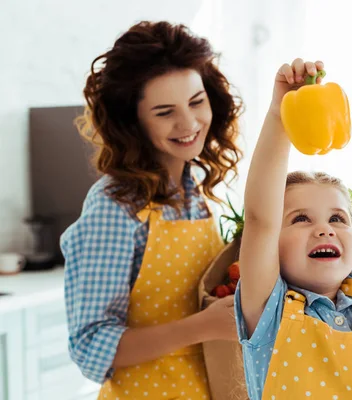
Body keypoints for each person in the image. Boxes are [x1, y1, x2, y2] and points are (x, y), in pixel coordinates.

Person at [61, 20, 243, 399]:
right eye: (165, 112)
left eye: (196, 102)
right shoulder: (116, 206)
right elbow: (90, 345)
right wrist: (203, 326)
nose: (189, 123)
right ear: (133, 121)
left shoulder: (199, 192)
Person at [234, 55, 352, 399]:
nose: (324, 229)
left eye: (338, 218)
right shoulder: (271, 309)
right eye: (301, 218)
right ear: (274, 244)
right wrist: (280, 114)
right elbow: (260, 219)